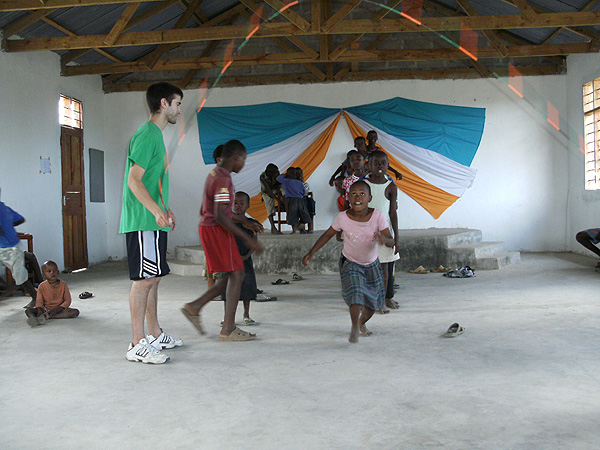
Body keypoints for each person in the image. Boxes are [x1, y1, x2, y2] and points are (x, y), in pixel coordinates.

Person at [120, 82, 184, 364]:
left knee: (153, 278)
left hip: (153, 218)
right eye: (177, 104)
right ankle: (137, 343)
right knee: (143, 280)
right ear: (163, 104)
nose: (179, 110)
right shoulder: (147, 134)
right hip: (143, 220)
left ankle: (155, 334)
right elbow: (134, 179)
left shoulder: (156, 136)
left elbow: (150, 180)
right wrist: (155, 211)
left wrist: (164, 207)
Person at [182, 139, 263, 341]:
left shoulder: (216, 174)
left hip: (211, 228)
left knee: (234, 275)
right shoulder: (223, 179)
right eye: (243, 160)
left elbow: (223, 210)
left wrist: (245, 222)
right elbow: (220, 215)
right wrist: (247, 238)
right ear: (235, 157)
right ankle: (228, 329)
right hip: (215, 230)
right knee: (238, 273)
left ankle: (195, 306)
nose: (243, 164)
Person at [303, 181, 394, 343]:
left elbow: (391, 241)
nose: (357, 197)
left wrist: (383, 239)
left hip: (372, 264)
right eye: (353, 194)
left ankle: (361, 323)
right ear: (348, 198)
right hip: (351, 262)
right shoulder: (342, 218)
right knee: (356, 295)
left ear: (370, 198)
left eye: (362, 194)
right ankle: (353, 327)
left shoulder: (378, 216)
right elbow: (327, 235)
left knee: (372, 304)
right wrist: (311, 252)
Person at [363, 151, 401, 312]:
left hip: (384, 232)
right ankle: (367, 301)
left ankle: (386, 298)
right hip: (365, 233)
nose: (380, 166)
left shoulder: (391, 186)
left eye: (383, 163)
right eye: (376, 163)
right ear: (369, 165)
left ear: (387, 165)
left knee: (386, 267)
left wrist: (396, 237)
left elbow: (392, 213)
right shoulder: (363, 185)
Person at [220, 191, 259, 325]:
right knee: (227, 289)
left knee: (246, 287)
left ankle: (246, 314)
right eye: (235, 203)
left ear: (248, 205)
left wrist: (245, 256)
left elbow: (254, 243)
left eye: (242, 203)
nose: (238, 206)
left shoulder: (251, 223)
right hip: (229, 260)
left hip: (245, 260)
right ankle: (227, 317)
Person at [0, 188, 37, 302]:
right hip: (2, 246)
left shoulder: (3, 209)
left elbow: (20, 219)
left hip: (12, 247)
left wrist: (6, 228)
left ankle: (35, 297)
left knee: (19, 274)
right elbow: (20, 219)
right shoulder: (5, 208)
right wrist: (9, 226)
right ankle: (6, 287)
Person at [24, 260, 79, 327]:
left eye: (55, 270)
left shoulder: (63, 285)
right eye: (49, 271)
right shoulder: (41, 286)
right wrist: (39, 309)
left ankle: (47, 316)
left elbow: (68, 300)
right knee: (28, 310)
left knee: (75, 312)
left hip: (59, 309)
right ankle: (34, 319)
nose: (52, 273)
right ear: (43, 275)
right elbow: (39, 301)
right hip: (45, 309)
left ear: (58, 272)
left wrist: (58, 309)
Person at [277, 167, 311, 234]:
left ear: (288, 174)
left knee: (292, 215)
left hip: (292, 200)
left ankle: (294, 230)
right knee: (303, 214)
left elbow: (278, 178)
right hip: (301, 200)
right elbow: (304, 192)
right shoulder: (299, 182)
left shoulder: (287, 181)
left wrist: (285, 174)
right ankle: (302, 228)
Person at [260, 163, 284, 234]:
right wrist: (277, 199)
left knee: (284, 191)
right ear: (269, 173)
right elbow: (267, 191)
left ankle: (285, 206)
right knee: (269, 205)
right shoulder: (262, 177)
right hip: (267, 191)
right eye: (275, 173)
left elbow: (280, 184)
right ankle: (273, 227)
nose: (277, 173)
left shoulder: (276, 173)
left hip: (276, 189)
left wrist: (279, 194)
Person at [298, 168, 315, 234]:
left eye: (301, 175)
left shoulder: (305, 184)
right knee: (304, 204)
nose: (299, 176)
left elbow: (305, 192)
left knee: (311, 202)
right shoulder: (291, 184)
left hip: (304, 198)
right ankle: (302, 226)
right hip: (298, 200)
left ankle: (309, 226)